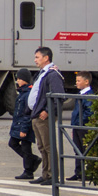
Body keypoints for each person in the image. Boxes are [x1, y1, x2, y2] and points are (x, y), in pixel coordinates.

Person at [27, 47, 65, 185]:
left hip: (43, 116)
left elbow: (58, 96)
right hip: (36, 114)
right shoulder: (42, 73)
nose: (35, 60)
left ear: (46, 58)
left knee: (48, 146)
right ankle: (45, 174)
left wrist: (48, 111)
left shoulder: (53, 74)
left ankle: (52, 175)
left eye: (37, 57)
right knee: (42, 147)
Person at [8, 68, 40, 180]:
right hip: (20, 125)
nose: (17, 81)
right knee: (13, 143)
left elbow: (27, 114)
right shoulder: (22, 92)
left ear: (24, 80)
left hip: (25, 126)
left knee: (26, 148)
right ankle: (33, 160)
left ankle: (28, 171)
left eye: (19, 79)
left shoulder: (27, 94)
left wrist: (24, 129)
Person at [69, 72, 94, 180]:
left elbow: (88, 112)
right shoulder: (81, 94)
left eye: (79, 81)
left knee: (85, 149)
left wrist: (80, 123)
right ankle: (78, 172)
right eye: (76, 81)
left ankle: (88, 172)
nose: (76, 83)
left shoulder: (88, 95)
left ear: (86, 81)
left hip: (82, 126)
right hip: (77, 125)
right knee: (77, 149)